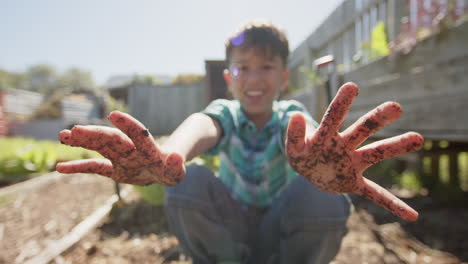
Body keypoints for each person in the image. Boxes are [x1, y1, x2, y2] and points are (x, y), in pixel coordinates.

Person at [56, 21, 424, 264]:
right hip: (230, 234)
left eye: (265, 67)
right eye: (242, 67)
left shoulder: (288, 115)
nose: (254, 78)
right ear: (230, 77)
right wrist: (174, 153)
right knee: (191, 182)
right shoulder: (227, 113)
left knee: (322, 192)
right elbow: (203, 124)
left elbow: (303, 136)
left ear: (283, 76)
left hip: (283, 229)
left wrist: (313, 155)